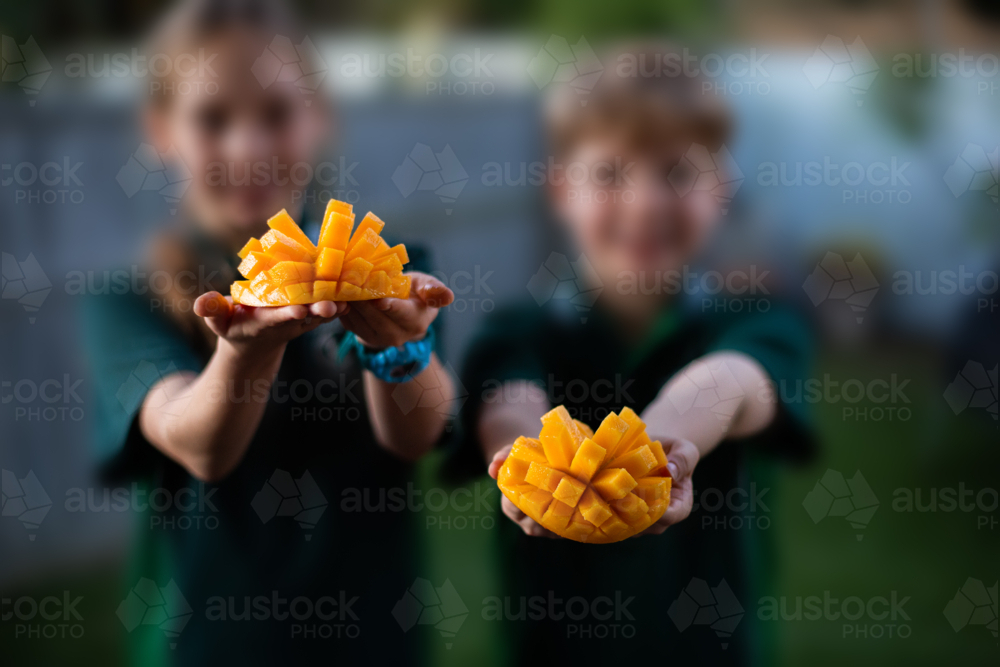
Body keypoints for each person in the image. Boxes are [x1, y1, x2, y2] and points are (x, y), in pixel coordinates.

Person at [83, 0, 454, 664]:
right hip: (209, 643)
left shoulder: (389, 267)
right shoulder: (127, 300)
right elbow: (199, 443)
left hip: (371, 639)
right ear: (161, 130)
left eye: (276, 114)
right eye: (213, 118)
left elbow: (415, 431)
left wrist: (397, 347)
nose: (248, 147)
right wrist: (242, 352)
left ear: (319, 117)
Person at [452, 46, 815, 665]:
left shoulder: (755, 320)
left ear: (721, 189)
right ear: (561, 190)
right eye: (611, 173)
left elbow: (729, 382)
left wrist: (652, 453)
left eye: (676, 172)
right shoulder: (518, 330)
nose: (646, 202)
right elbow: (509, 401)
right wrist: (524, 459)